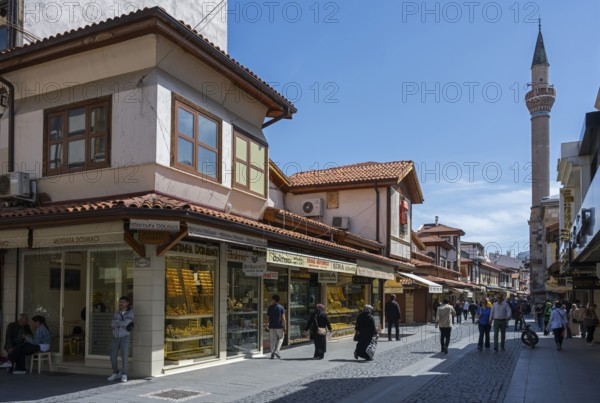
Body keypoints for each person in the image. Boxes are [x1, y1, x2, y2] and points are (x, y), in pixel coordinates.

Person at [108, 296, 134, 382]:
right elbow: (112, 323)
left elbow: (127, 322)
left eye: (123, 302)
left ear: (127, 303)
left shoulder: (130, 312)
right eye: (120, 302)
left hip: (124, 337)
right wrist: (121, 323)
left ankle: (124, 374)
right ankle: (115, 372)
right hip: (115, 336)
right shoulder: (117, 312)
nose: (121, 303)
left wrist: (118, 323)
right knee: (112, 356)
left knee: (124, 356)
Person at [267, 294, 286, 359]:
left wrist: (268, 325)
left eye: (272, 299)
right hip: (279, 326)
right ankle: (277, 350)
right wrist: (285, 326)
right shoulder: (281, 307)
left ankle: (272, 353)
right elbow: (283, 318)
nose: (271, 300)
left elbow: (268, 318)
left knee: (272, 340)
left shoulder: (270, 307)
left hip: (271, 326)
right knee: (281, 338)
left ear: (274, 300)